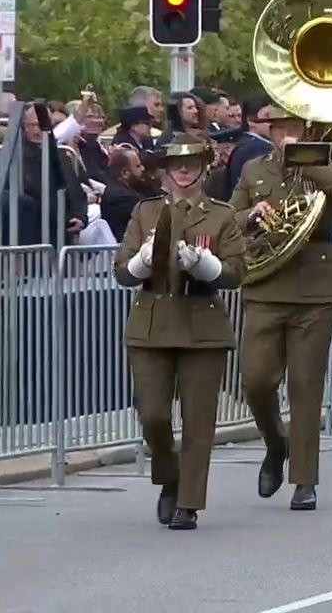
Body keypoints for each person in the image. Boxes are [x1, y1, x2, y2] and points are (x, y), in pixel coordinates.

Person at [112, 133, 246, 529]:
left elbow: (236, 273)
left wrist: (205, 265)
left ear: (204, 168)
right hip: (152, 322)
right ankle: (170, 477)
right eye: (176, 164)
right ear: (165, 171)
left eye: (191, 164)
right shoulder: (146, 212)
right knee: (152, 415)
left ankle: (188, 502)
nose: (183, 170)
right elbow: (122, 272)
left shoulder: (221, 215)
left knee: (198, 421)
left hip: (201, 323)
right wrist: (141, 262)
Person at [229, 106, 332, 510]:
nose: (284, 134)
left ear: (306, 128)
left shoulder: (329, 161)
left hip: (315, 287)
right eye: (278, 128)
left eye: (292, 127)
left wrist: (305, 159)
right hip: (266, 285)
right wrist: (251, 215)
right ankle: (275, 443)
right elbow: (228, 218)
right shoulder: (253, 170)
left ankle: (305, 480)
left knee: (305, 385)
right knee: (256, 380)